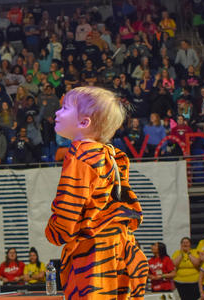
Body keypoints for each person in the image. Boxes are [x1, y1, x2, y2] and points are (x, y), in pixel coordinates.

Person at [45, 87, 148, 299]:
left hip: (95, 251)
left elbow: (69, 207)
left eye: (64, 108)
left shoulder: (80, 155)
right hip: (122, 245)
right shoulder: (110, 154)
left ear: (84, 122)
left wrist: (55, 231)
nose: (57, 112)